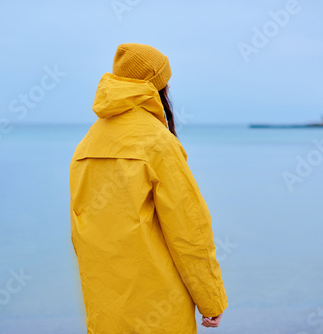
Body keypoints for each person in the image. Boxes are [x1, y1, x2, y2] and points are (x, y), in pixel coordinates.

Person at [69, 43, 228, 333]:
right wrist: (211, 299)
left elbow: (81, 231)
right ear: (158, 86)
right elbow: (190, 231)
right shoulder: (157, 143)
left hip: (105, 309)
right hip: (159, 309)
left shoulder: (87, 143)